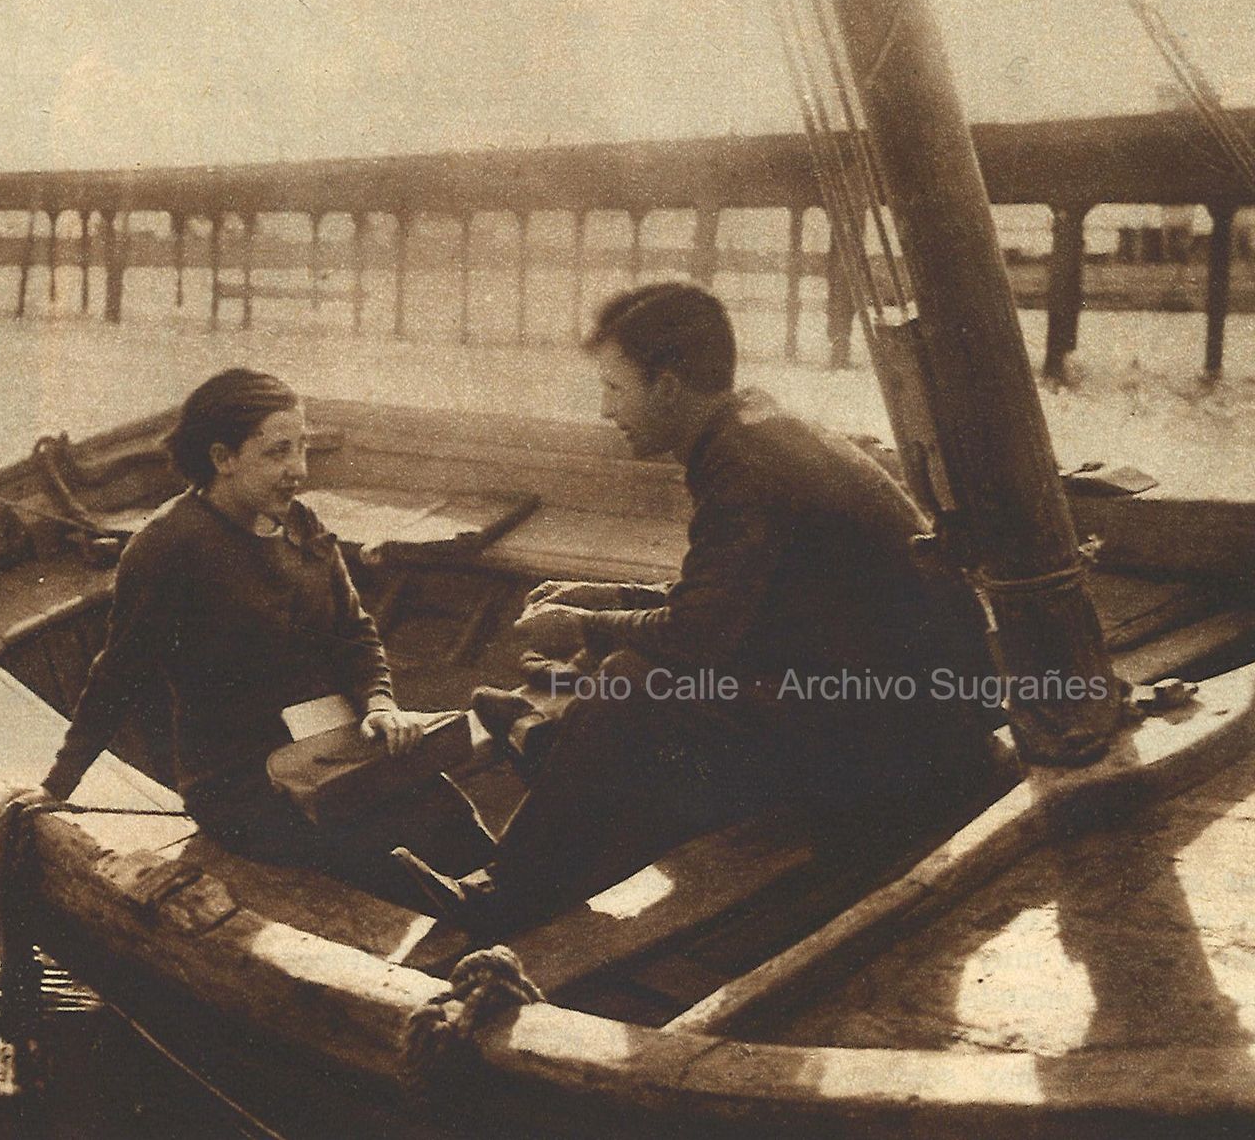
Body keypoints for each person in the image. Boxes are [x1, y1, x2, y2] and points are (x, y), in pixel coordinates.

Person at [394, 282, 996, 931]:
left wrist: (586, 625)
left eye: (615, 388)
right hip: (914, 708)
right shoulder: (756, 427)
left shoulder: (742, 465)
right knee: (630, 674)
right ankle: (557, 745)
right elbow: (740, 598)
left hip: (904, 746)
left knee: (630, 679)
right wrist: (610, 597)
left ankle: (503, 894)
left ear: (668, 387)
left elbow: (699, 634)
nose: (605, 409)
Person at [25, 367, 491, 892]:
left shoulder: (301, 523)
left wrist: (380, 705)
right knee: (386, 855)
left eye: (302, 448)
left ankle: (500, 903)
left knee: (447, 814)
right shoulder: (167, 547)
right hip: (240, 786)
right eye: (277, 453)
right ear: (222, 458)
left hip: (331, 750)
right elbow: (117, 676)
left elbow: (354, 634)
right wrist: (57, 785)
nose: (299, 470)